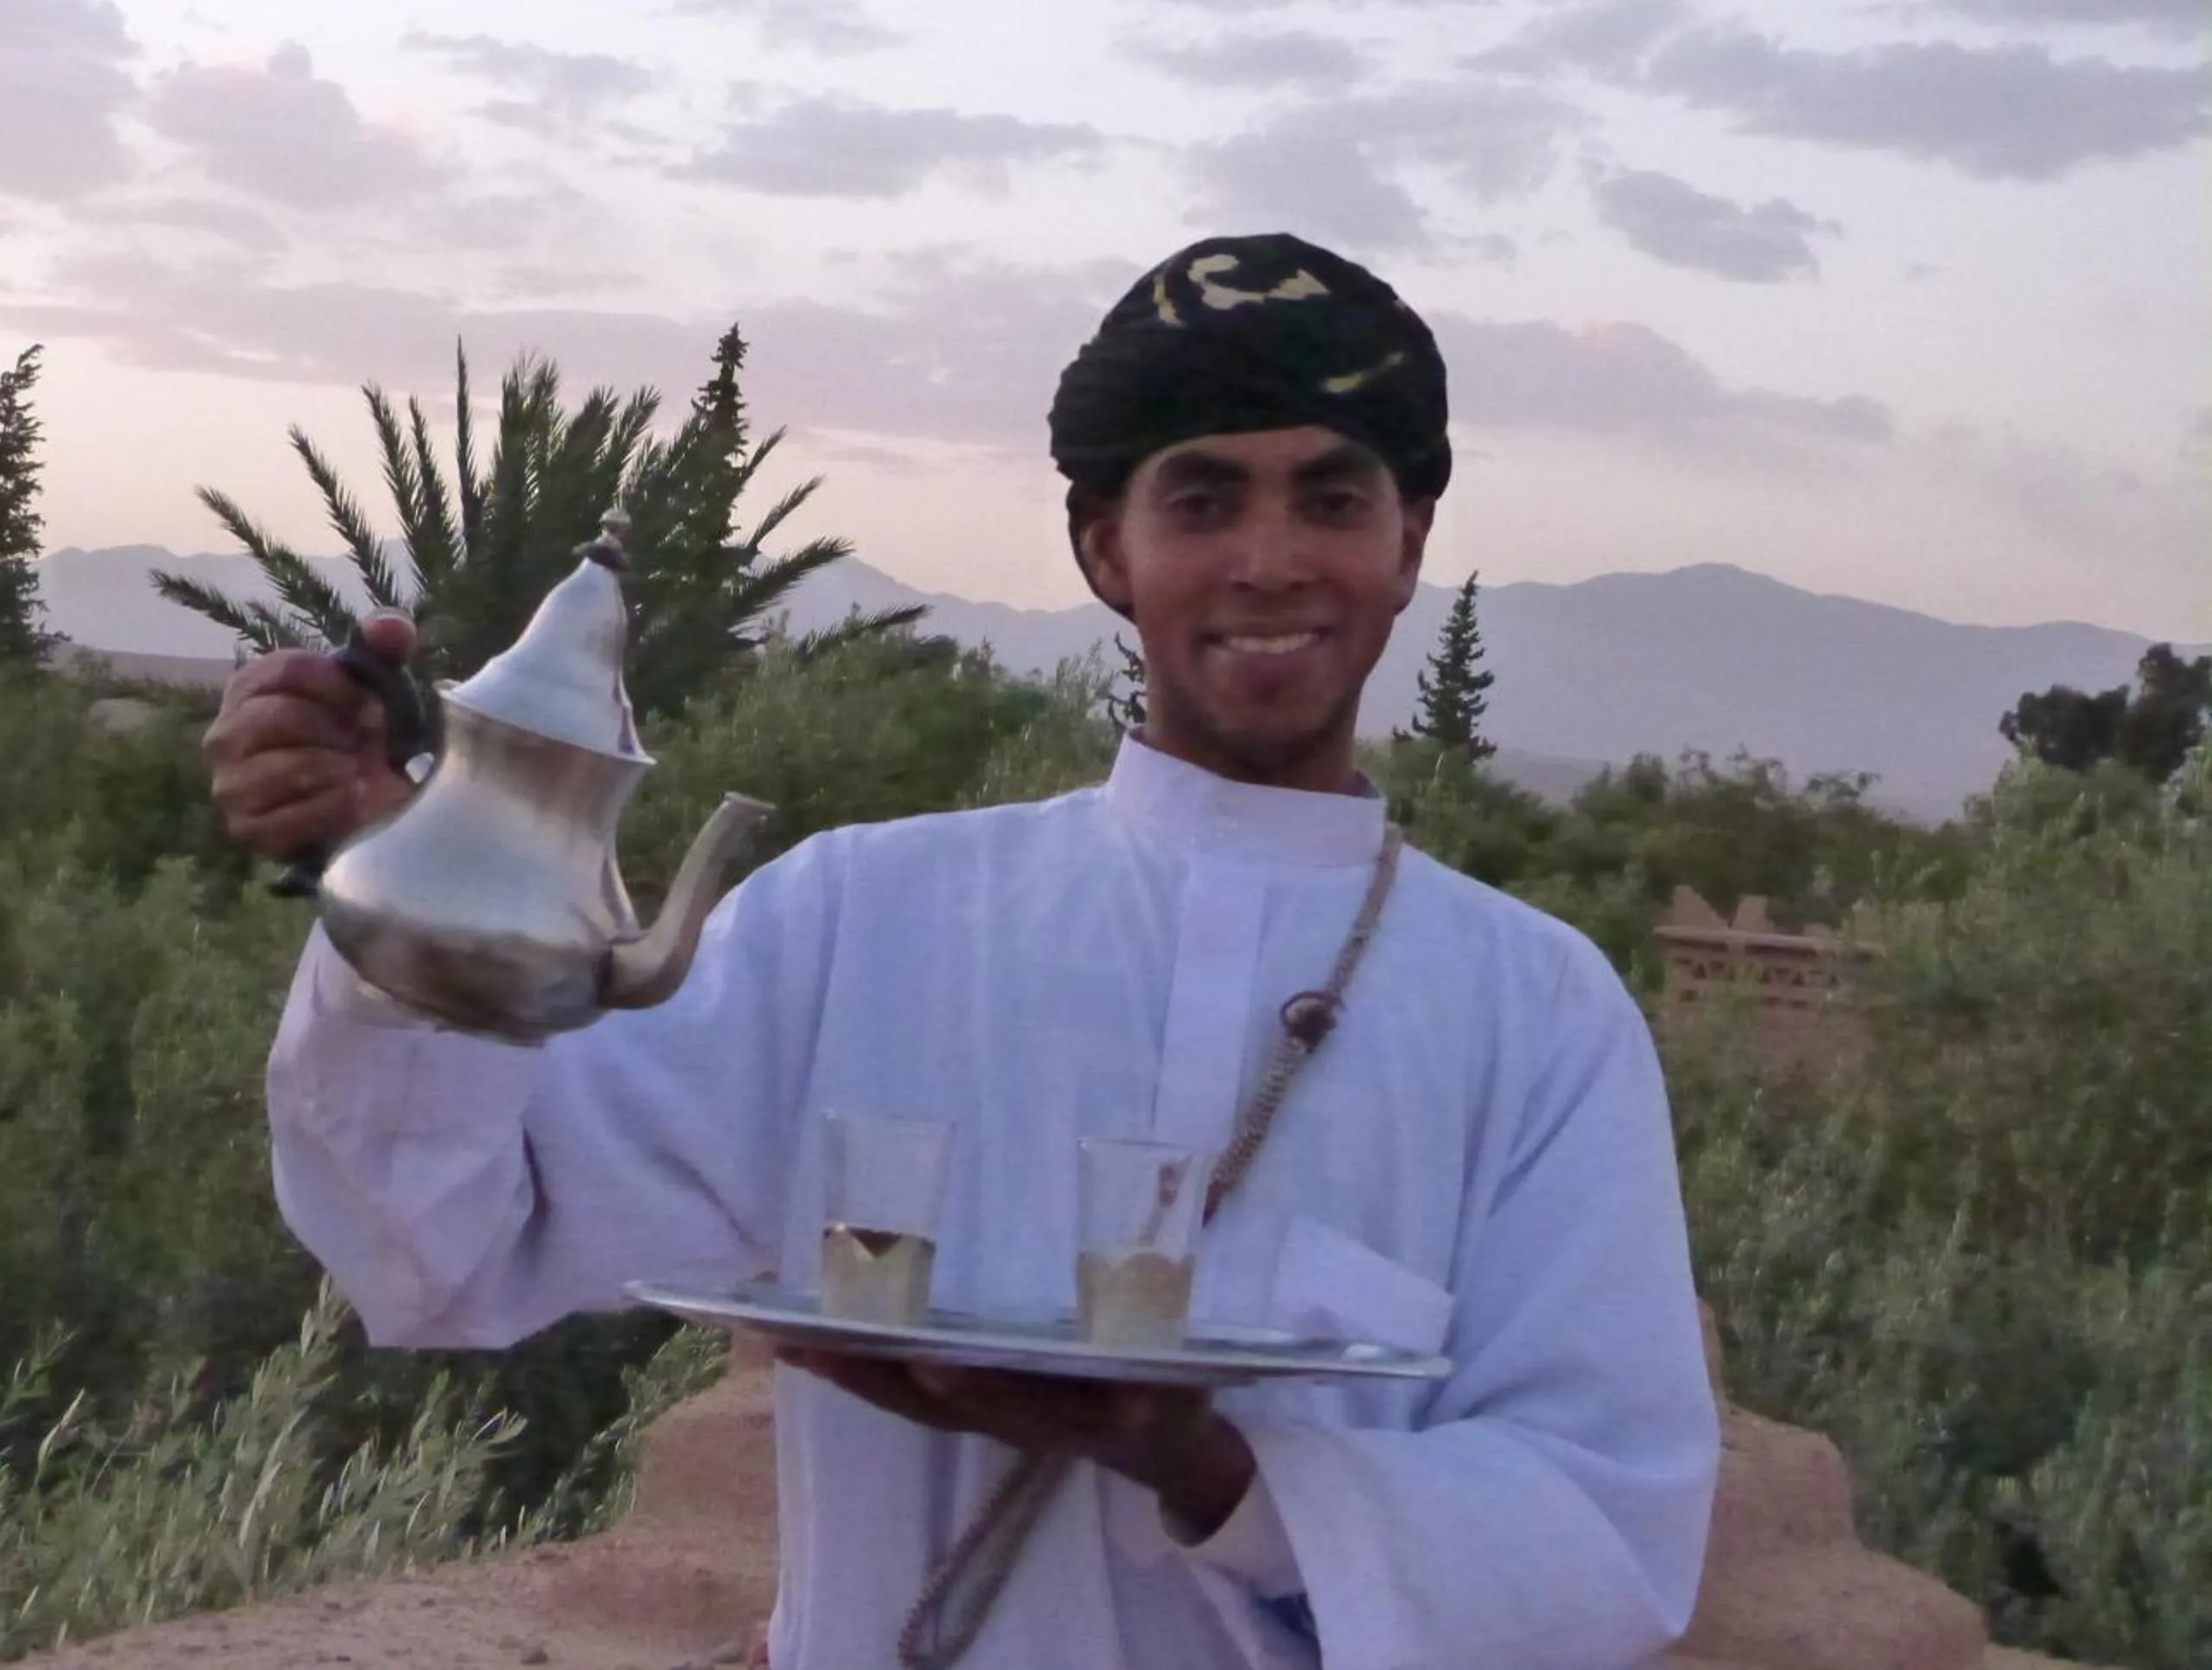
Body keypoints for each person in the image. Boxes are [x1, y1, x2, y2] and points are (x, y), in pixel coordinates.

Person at [203, 234, 1721, 1669]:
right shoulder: (857, 919)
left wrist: (1213, 1466)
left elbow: (1605, 1532)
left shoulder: (1536, 1012)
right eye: (1202, 502)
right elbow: (444, 1250)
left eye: (1331, 500)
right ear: (1104, 549)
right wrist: (412, 898)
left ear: (1410, 547)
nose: (1271, 560)